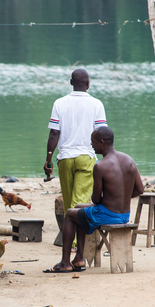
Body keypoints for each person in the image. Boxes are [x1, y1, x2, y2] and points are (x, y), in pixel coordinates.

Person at [44, 127, 143, 273]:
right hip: (124, 214)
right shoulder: (129, 160)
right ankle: (78, 259)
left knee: (70, 214)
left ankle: (65, 262)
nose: (91, 145)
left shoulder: (100, 166)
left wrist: (108, 200)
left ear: (102, 142)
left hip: (108, 214)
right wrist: (118, 198)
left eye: (93, 142)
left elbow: (96, 200)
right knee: (78, 207)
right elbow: (140, 189)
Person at [44, 68, 107, 217]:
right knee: (79, 204)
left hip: (65, 158)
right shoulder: (96, 104)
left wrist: (48, 160)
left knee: (69, 204)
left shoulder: (59, 103)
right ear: (88, 84)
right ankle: (76, 240)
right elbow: (102, 135)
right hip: (86, 157)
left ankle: (71, 239)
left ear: (71, 82)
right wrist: (107, 160)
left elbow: (54, 133)